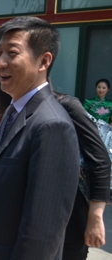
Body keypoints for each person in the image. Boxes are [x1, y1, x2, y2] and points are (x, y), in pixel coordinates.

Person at [0, 16, 80, 259]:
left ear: (44, 61)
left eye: (12, 53)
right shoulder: (15, 109)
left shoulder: (52, 125)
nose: (0, 62)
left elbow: (42, 232)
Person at [53, 90, 111, 259]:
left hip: (71, 215)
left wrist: (95, 216)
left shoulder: (67, 105)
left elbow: (100, 160)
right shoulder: (16, 109)